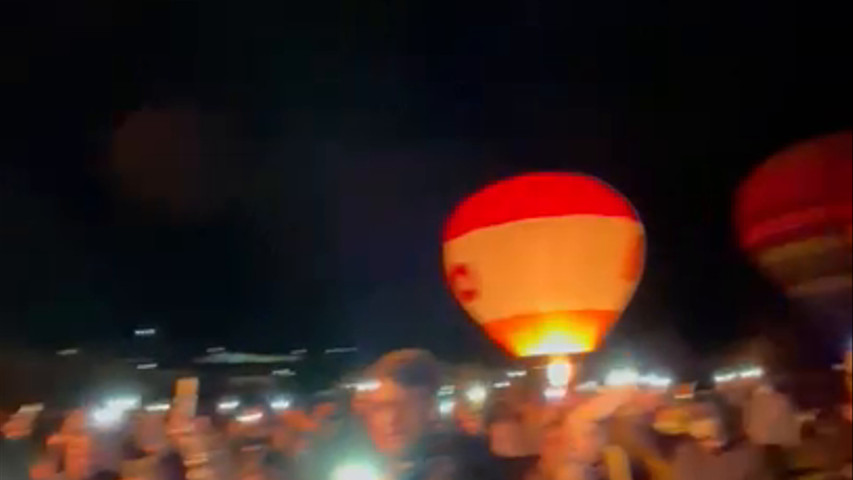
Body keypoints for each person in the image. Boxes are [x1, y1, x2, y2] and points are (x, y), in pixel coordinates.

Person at [355, 349, 500, 480]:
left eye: (405, 406)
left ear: (430, 408)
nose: (392, 419)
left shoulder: (466, 465)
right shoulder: (362, 468)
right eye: (379, 408)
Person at [672, 397, 773, 480]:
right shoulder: (685, 455)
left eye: (706, 416)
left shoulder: (750, 455)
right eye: (692, 418)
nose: (699, 424)